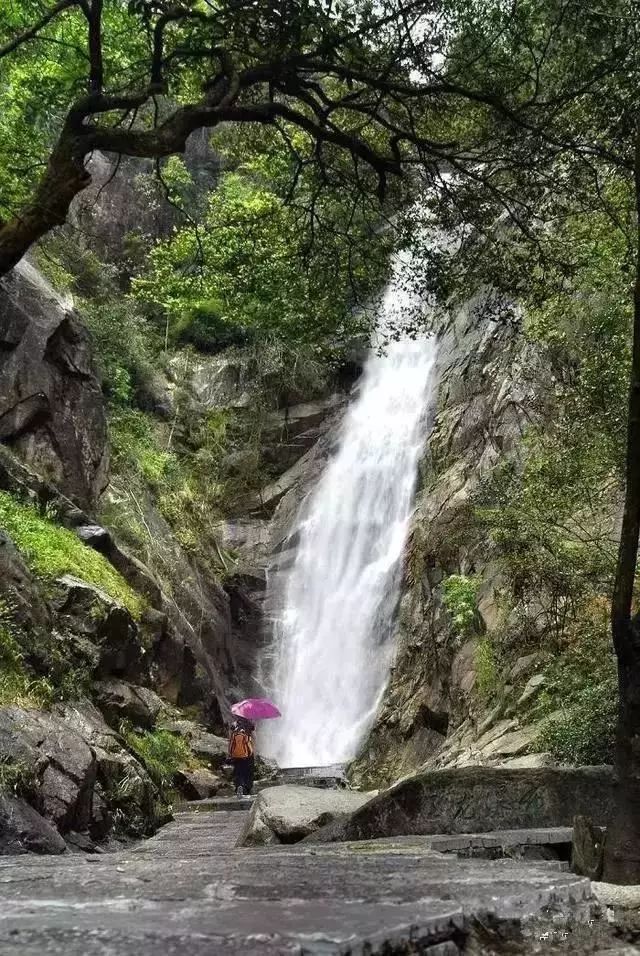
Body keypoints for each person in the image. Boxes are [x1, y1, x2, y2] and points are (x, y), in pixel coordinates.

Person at [228, 717, 255, 797]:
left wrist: (230, 752)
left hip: (236, 754)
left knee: (238, 771)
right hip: (248, 753)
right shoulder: (250, 724)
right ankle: (246, 789)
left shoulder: (234, 724)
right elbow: (254, 737)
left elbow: (230, 739)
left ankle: (239, 786)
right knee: (248, 772)